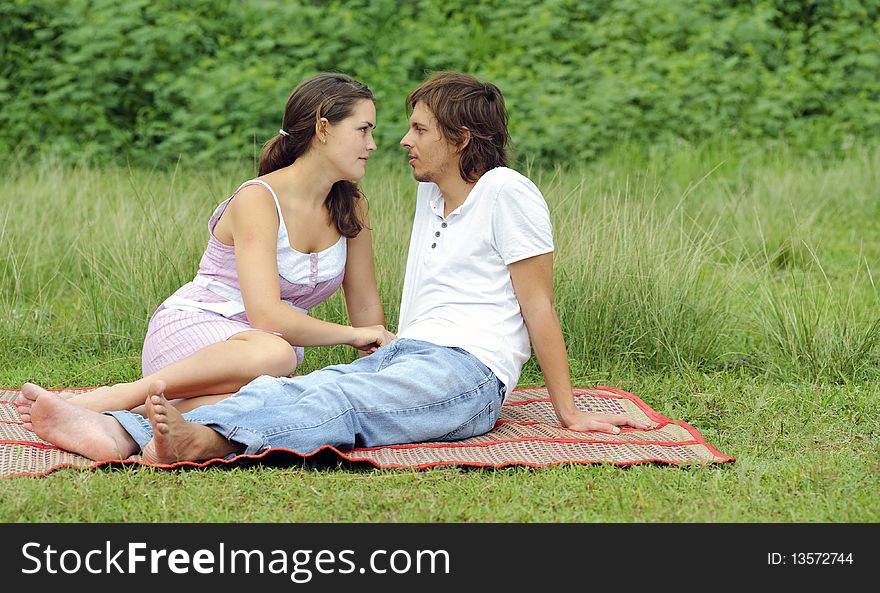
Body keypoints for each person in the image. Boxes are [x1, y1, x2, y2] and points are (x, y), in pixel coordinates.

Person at [19, 71, 648, 464]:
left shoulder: (509, 191)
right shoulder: (431, 194)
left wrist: (567, 411)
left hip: (468, 371)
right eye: (391, 128)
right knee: (295, 385)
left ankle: (190, 439)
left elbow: (538, 304)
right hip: (404, 353)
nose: (400, 141)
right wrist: (373, 347)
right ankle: (123, 427)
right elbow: (368, 317)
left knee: (339, 395)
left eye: (417, 129)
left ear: (459, 140)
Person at [28, 73, 395, 414]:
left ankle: (127, 419)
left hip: (259, 358)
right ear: (323, 129)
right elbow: (267, 316)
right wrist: (350, 336)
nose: (372, 144)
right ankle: (124, 395)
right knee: (277, 356)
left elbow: (365, 308)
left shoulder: (351, 203)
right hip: (198, 331)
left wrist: (377, 372)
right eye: (363, 130)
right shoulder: (259, 199)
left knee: (275, 402)